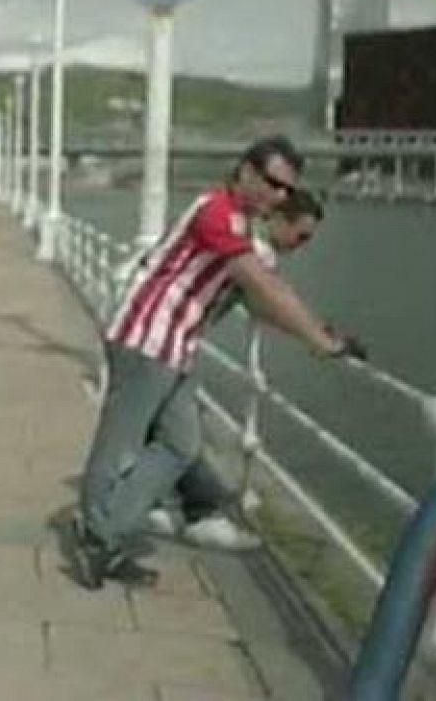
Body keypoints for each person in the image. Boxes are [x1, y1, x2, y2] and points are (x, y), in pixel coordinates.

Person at [69, 136, 364, 590]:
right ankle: (99, 539)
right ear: (245, 170)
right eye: (272, 183)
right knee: (119, 446)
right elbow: (262, 288)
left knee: (180, 446)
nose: (279, 195)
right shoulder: (217, 214)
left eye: (286, 189)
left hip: (174, 348)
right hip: (144, 340)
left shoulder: (241, 225)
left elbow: (261, 300)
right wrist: (320, 343)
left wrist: (320, 335)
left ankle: (105, 531)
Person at [146, 188, 329, 551]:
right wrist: (320, 339)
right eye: (301, 234)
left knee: (165, 426)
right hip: (159, 339)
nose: (302, 244)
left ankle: (173, 506)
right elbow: (269, 301)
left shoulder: (243, 241)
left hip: (162, 336)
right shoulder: (252, 253)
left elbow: (261, 304)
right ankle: (179, 511)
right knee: (177, 432)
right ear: (278, 219)